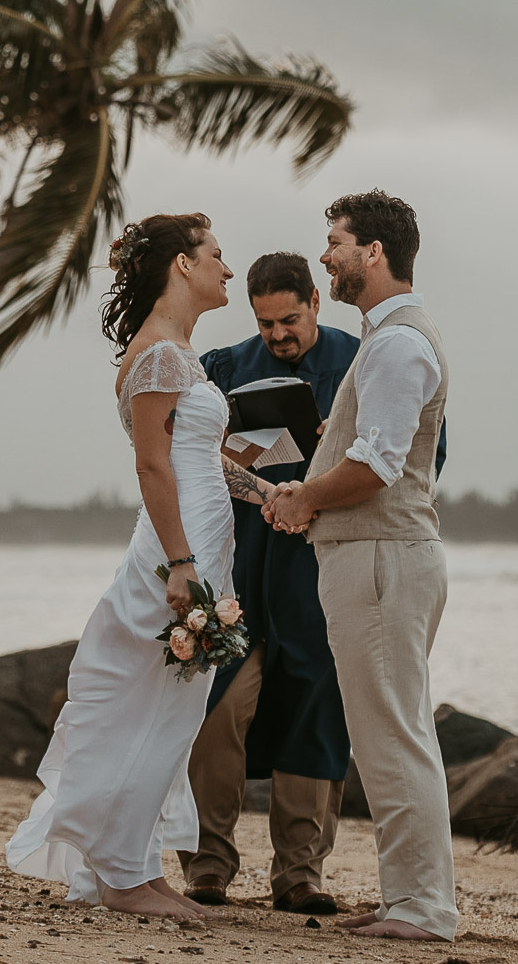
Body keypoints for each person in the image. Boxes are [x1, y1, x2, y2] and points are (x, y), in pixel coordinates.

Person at [6, 212, 278, 919]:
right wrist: (182, 565)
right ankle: (123, 876)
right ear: (182, 265)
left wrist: (266, 491)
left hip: (202, 545)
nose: (227, 268)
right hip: (175, 551)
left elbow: (204, 460)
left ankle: (136, 866)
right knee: (146, 706)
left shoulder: (179, 352)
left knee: (172, 710)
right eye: (217, 255)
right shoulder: (158, 356)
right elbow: (154, 468)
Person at [266, 190, 458, 944]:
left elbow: (377, 465)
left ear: (373, 252)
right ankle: (410, 897)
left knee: (391, 735)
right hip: (376, 558)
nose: (326, 255)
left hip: (382, 558)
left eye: (336, 242)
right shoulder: (387, 340)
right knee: (390, 732)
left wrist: (302, 498)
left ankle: (422, 909)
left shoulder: (398, 344)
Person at [179, 251, 355, 914]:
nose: (278, 334)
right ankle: (206, 864)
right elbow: (191, 457)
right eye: (266, 323)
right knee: (216, 708)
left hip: (320, 575)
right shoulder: (225, 367)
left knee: (316, 714)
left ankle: (300, 874)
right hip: (241, 569)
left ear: (316, 299)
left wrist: (330, 448)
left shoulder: (360, 363)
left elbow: (419, 452)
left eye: (290, 319)